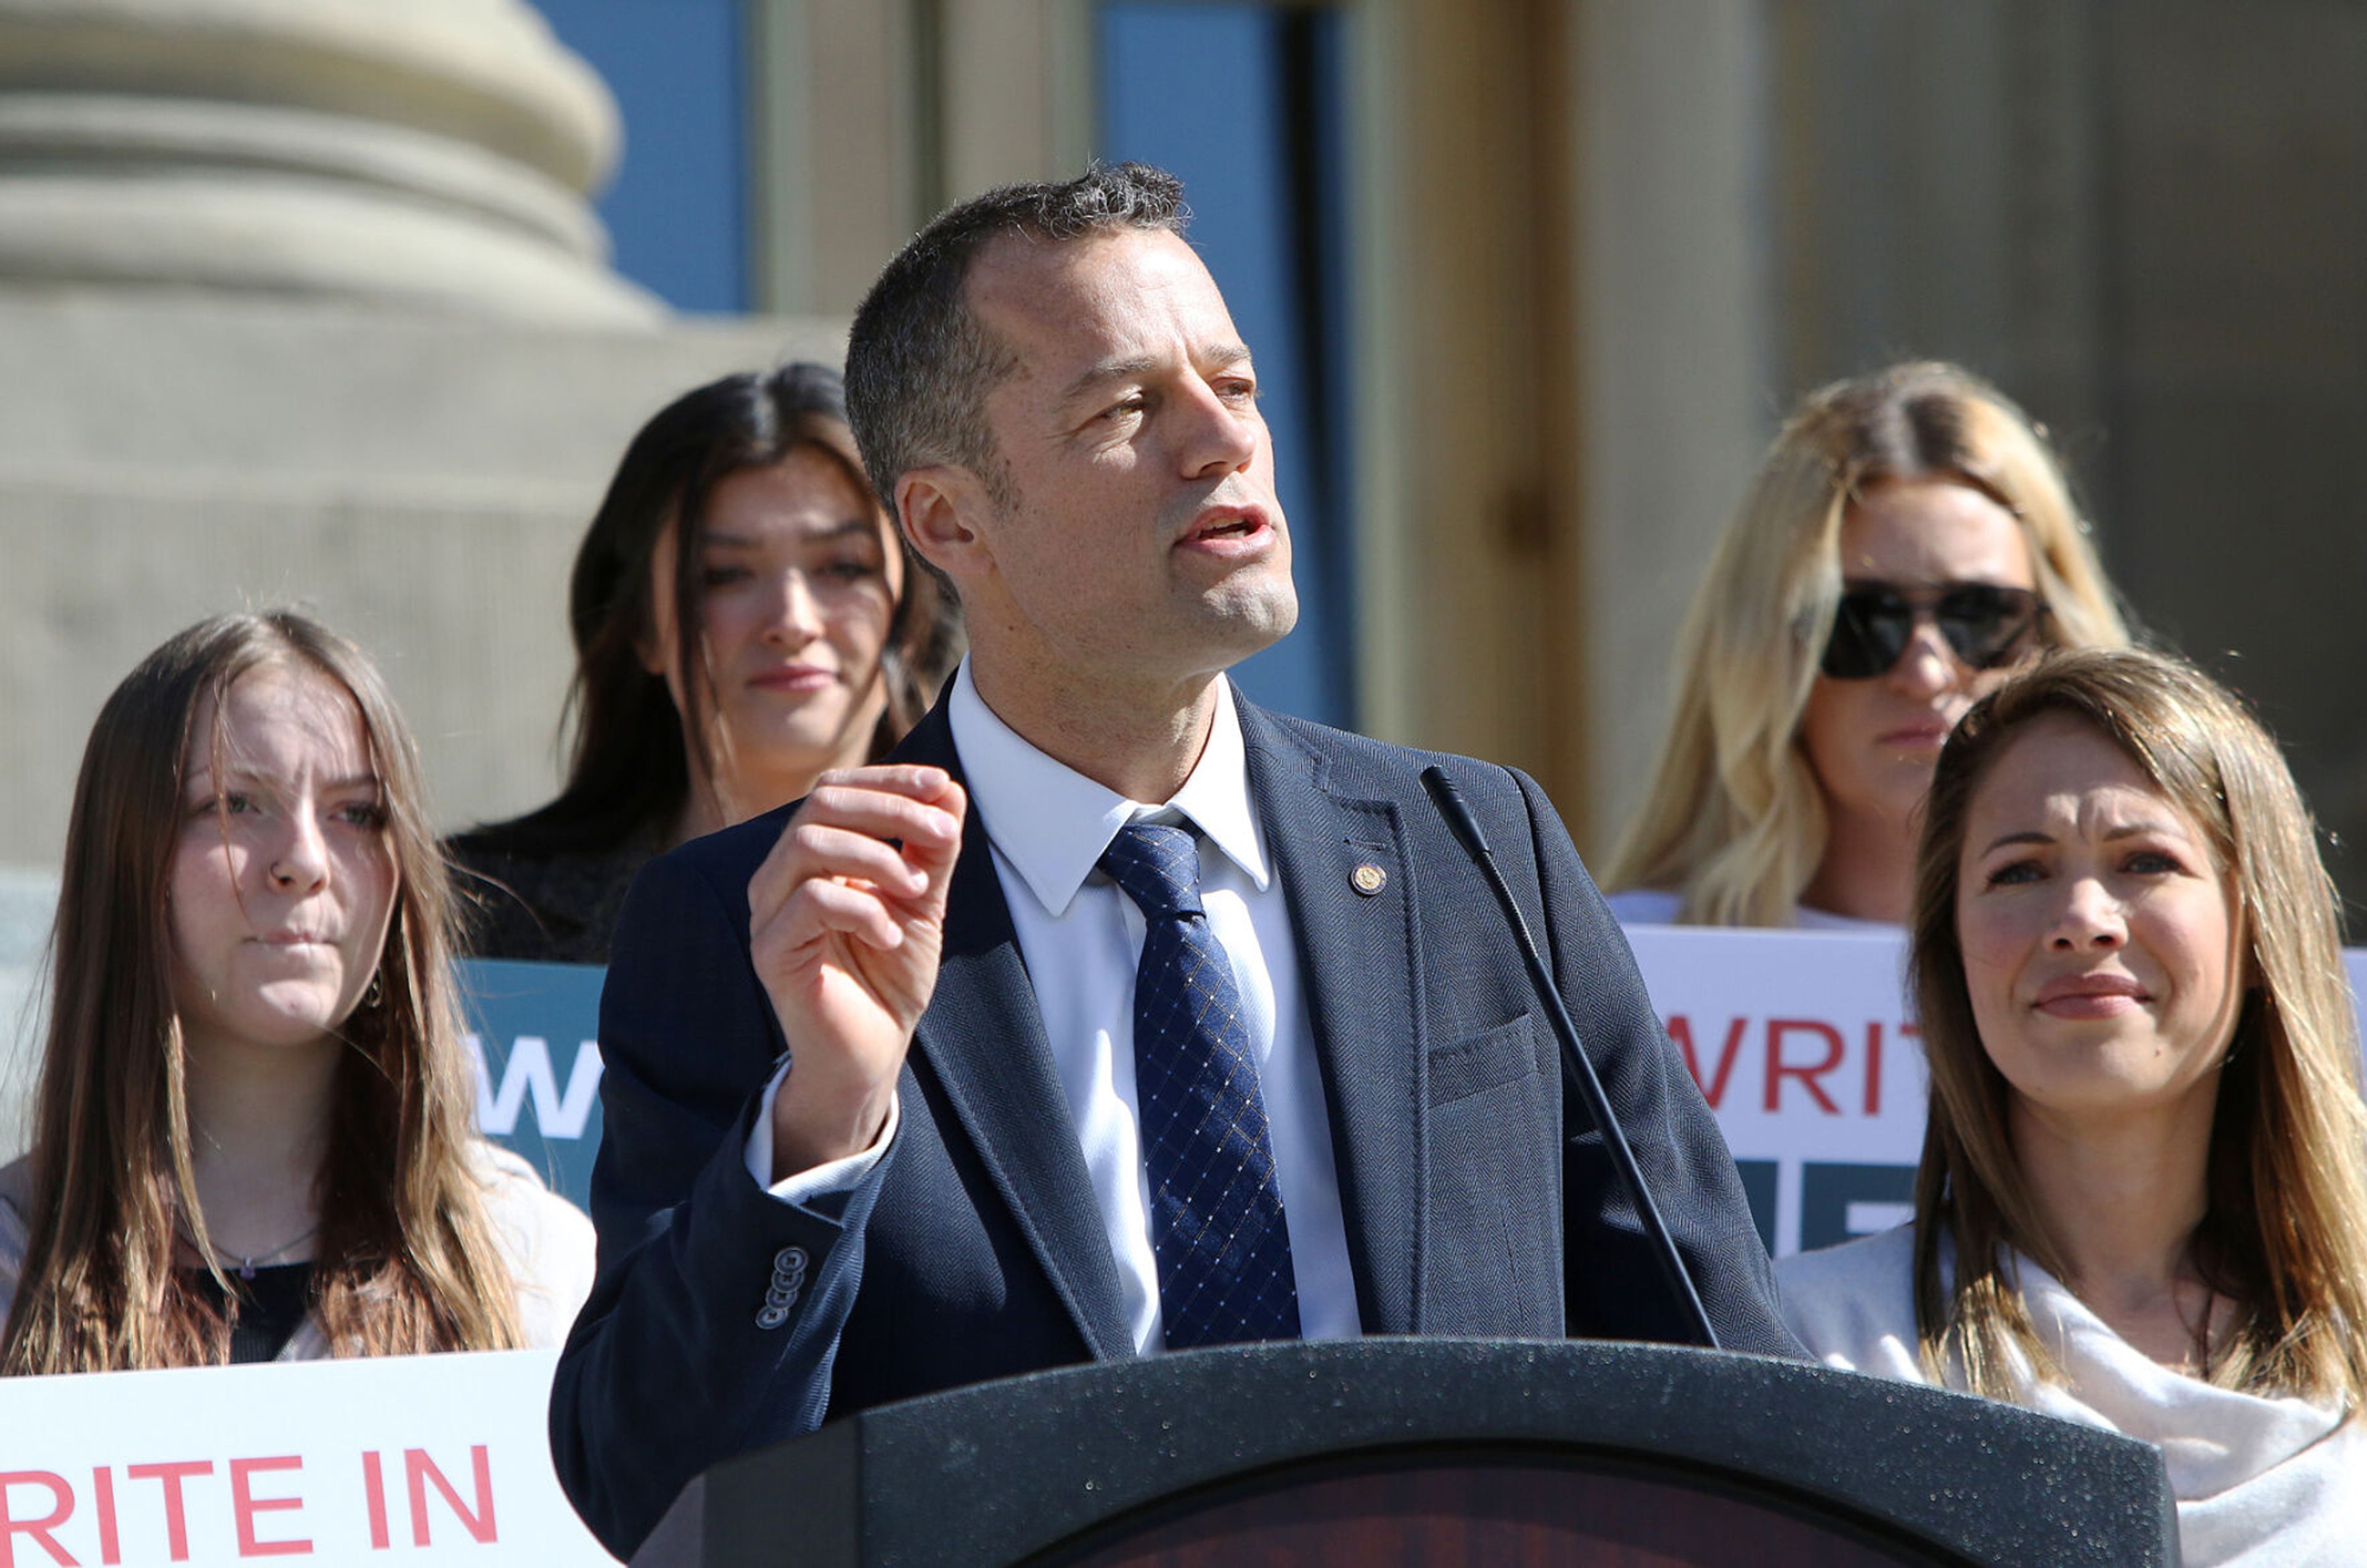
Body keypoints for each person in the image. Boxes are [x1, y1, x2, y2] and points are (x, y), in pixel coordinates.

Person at [549, 161, 1796, 1558]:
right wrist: (824, 1122)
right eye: (1125, 408)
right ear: (949, 522)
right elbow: (651, 1489)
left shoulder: (1473, 847)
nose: (1219, 442)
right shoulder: (760, 921)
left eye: (1238, 384)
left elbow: (1730, 1385)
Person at [1780, 648, 2367, 1567]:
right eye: (2020, 871)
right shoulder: (1811, 1348)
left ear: (2258, 927)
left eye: (2146, 862)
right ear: (1951, 950)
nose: (2084, 917)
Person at [0, 612, 595, 1370]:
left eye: (357, 814)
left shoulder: (528, 1262)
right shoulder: (14, 1259)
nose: (305, 861)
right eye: (236, 803)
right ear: (127, 860)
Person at [450, 362, 960, 964]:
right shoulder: (471, 918)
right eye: (726, 575)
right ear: (642, 624)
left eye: (843, 567)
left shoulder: (1020, 904)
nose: (793, 620)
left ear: (913, 610)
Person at [1603, 362, 2130, 928]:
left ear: (2059, 643)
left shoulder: (2130, 960)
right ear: (1765, 656)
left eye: (1980, 617)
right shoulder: (1625, 969)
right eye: (1860, 622)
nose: (1926, 674)